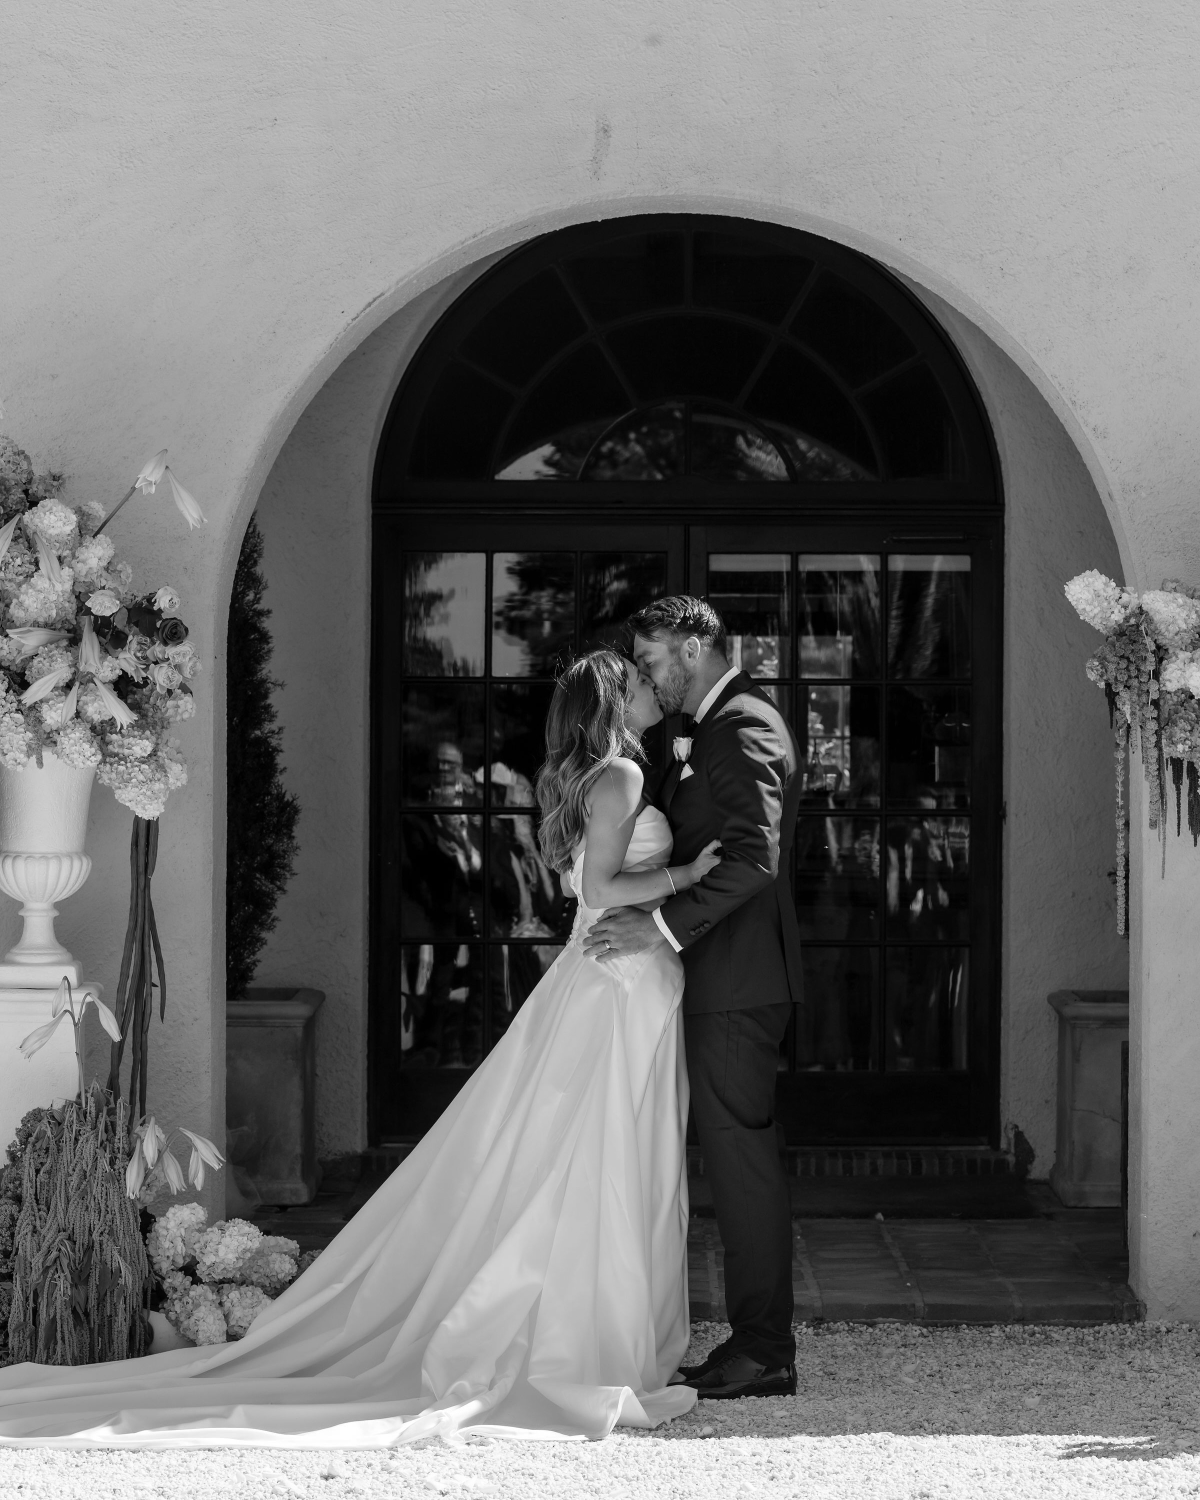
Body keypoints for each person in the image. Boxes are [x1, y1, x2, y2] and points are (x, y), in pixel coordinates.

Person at [0, 649, 720, 1447]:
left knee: (593, 1151)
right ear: (613, 702)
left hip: (614, 978)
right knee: (606, 1153)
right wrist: (689, 874)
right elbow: (602, 890)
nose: (654, 690)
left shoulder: (608, 774)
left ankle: (591, 1320)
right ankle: (589, 1333)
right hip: (616, 982)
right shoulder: (619, 774)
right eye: (641, 683)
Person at [584, 595, 803, 1400]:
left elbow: (752, 862)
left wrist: (657, 929)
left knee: (742, 1162)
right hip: (715, 980)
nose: (646, 676)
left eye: (651, 660)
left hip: (738, 982)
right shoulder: (707, 729)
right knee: (732, 1158)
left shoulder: (743, 725)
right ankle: (753, 1343)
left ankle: (765, 1351)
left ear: (693, 646)